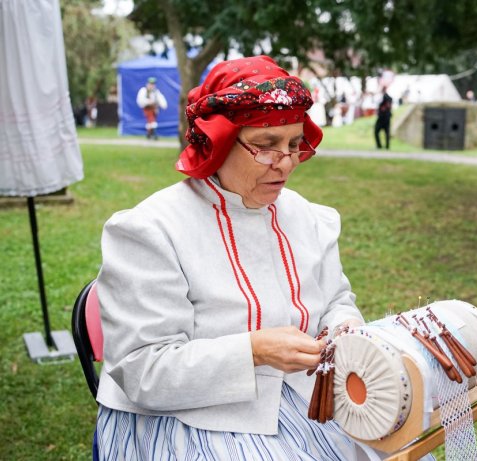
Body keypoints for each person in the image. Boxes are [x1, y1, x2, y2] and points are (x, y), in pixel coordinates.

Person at [94, 56, 376, 460]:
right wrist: (253, 351)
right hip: (187, 417)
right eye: (266, 146)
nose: (288, 162)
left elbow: (336, 300)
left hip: (301, 398)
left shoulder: (307, 217)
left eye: (295, 143)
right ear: (220, 140)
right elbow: (144, 371)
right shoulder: (150, 230)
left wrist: (345, 329)